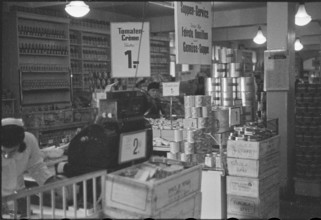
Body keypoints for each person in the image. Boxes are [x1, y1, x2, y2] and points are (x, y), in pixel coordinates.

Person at [1, 118, 66, 216]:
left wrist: (51, 183)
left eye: (12, 151)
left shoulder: (29, 140)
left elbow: (36, 166)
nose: (7, 155)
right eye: (3, 152)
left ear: (21, 144)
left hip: (19, 192)